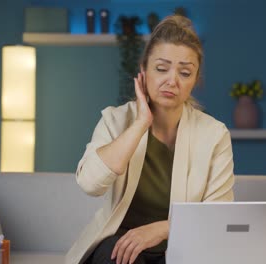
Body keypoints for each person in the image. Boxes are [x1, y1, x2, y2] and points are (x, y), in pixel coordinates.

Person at [66, 15, 235, 264]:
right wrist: (140, 123)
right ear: (143, 72)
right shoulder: (115, 120)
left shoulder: (214, 134)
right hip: (121, 249)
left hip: (184, 250)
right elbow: (90, 184)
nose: (172, 81)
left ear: (195, 80)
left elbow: (217, 216)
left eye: (185, 72)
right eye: (161, 68)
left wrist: (161, 229)